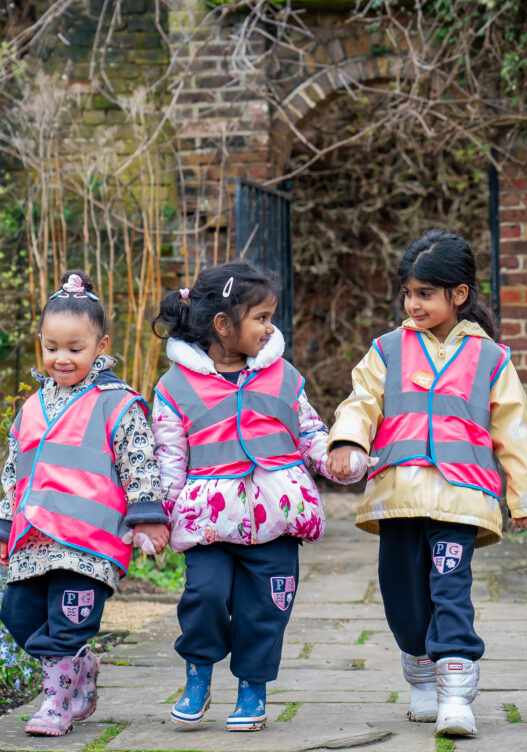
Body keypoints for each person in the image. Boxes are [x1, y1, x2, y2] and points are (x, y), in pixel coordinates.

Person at [326, 229, 527, 737]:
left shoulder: (492, 358)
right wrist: (348, 442)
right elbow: (361, 402)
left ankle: (457, 693)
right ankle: (420, 673)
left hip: (461, 496)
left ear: (459, 295)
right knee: (402, 598)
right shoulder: (386, 350)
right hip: (396, 494)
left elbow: (514, 432)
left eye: (425, 293)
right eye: (408, 292)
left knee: (451, 591)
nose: (413, 303)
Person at [151, 259, 362, 732]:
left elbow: (310, 430)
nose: (271, 328)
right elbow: (168, 459)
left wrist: (337, 457)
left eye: (271, 317)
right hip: (209, 523)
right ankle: (199, 673)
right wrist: (159, 517)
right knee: (203, 598)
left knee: (266, 609)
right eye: (261, 318)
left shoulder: (283, 375)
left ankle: (252, 686)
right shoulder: (176, 387)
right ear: (223, 325)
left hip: (278, 518)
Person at [0, 270, 169, 737]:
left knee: (69, 620)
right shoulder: (33, 406)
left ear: (101, 344)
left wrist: (148, 517)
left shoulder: (117, 403)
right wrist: (3, 525)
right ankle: (78, 668)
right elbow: (14, 469)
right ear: (41, 343)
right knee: (17, 613)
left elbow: (140, 462)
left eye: (75, 348)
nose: (62, 358)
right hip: (33, 536)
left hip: (89, 542)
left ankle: (55, 702)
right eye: (52, 347)